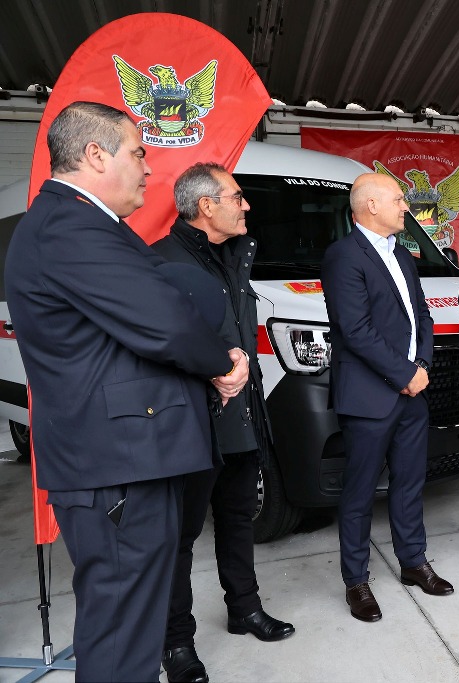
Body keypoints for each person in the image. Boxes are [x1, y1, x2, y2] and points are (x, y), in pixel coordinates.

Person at [4, 101, 248, 682]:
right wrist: (220, 364)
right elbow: (162, 319)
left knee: (129, 629)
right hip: (116, 470)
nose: (149, 169)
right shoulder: (69, 227)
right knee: (120, 638)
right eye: (138, 152)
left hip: (126, 462)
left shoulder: (81, 226)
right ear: (94, 154)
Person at [152, 163, 294, 683]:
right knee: (180, 537)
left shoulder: (237, 257)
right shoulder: (161, 263)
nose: (246, 205)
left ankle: (244, 609)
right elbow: (159, 348)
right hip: (190, 428)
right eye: (237, 196)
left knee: (238, 521)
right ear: (206, 205)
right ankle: (177, 643)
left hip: (241, 419)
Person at [322, 172, 453, 623]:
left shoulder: (403, 255)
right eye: (398, 199)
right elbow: (356, 330)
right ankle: (356, 581)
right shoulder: (343, 256)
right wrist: (403, 373)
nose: (406, 207)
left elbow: (421, 316)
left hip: (411, 392)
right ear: (371, 206)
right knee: (359, 492)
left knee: (409, 483)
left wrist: (423, 368)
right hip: (370, 396)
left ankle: (413, 562)